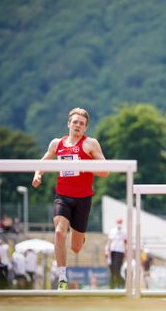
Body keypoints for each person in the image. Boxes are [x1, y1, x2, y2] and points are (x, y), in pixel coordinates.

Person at [31, 107, 109, 290]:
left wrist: (83, 166)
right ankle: (62, 278)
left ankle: (80, 236)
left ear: (85, 128)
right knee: (59, 232)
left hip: (83, 199)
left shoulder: (90, 144)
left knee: (76, 247)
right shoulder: (56, 144)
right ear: (68, 123)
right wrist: (38, 174)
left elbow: (105, 171)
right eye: (75, 122)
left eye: (81, 123)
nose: (77, 125)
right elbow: (42, 161)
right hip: (63, 196)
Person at [105, 217, 127, 289]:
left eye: (120, 222)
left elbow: (125, 243)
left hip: (120, 251)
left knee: (117, 269)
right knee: (112, 270)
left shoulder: (124, 232)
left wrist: (126, 252)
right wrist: (107, 251)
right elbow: (109, 242)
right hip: (112, 251)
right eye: (118, 222)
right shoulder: (112, 231)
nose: (119, 224)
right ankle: (112, 286)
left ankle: (122, 283)